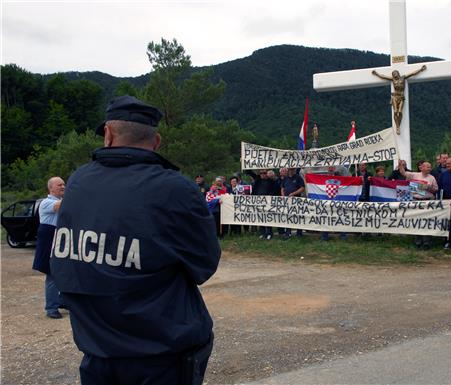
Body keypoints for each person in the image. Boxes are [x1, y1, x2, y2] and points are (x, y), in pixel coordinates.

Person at [50, 95, 220, 385]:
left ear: (108, 134)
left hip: (97, 350)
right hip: (162, 353)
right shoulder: (176, 189)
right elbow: (204, 265)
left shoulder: (77, 181)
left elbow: (66, 262)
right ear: (156, 141)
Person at [32, 176, 65, 319]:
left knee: (64, 273)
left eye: (64, 184)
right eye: (59, 185)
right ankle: (51, 307)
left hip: (61, 239)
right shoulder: (46, 203)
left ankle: (62, 301)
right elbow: (60, 206)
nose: (63, 186)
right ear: (50, 188)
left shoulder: (63, 201)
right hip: (49, 241)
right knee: (52, 274)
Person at [371, 64, 427, 133]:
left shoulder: (403, 78)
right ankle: (397, 127)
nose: (394, 75)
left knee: (400, 112)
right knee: (395, 111)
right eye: (393, 74)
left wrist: (420, 69)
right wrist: (376, 73)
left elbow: (413, 73)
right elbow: (383, 77)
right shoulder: (393, 79)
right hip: (395, 97)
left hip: (401, 97)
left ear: (398, 73)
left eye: (395, 73)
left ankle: (398, 125)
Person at [398, 159, 438, 249]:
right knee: (417, 221)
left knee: (427, 222)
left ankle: (426, 242)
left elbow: (436, 190)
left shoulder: (432, 178)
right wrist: (400, 165)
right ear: (422, 168)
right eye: (428, 167)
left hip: (427, 201)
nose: (429, 169)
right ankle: (418, 242)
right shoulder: (414, 174)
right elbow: (403, 173)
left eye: (430, 167)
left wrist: (429, 188)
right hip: (416, 201)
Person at [245, 169, 279, 240]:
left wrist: (269, 196)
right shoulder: (258, 179)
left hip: (268, 201)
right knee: (261, 217)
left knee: (268, 217)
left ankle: (269, 233)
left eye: (264, 173)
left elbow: (275, 189)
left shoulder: (272, 181)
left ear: (267, 174)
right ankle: (262, 233)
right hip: (258, 202)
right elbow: (249, 172)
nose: (262, 174)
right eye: (261, 173)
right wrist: (244, 162)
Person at [281, 168, 305, 239]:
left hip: (296, 200)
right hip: (287, 200)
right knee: (288, 216)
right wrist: (283, 196)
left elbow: (302, 188)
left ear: (294, 170)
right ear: (288, 170)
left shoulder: (298, 177)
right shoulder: (285, 178)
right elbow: (282, 188)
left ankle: (299, 233)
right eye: (290, 169)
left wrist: (293, 193)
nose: (291, 171)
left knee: (297, 216)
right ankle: (288, 232)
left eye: (292, 169)